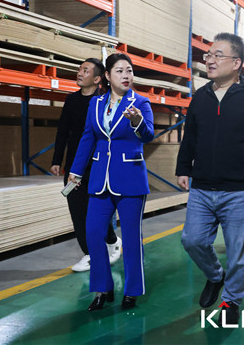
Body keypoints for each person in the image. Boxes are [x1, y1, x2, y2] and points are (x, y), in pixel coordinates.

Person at [176, 32, 244, 325]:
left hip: (239, 190)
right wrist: (183, 167)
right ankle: (215, 275)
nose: (209, 60)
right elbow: (190, 137)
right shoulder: (201, 96)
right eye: (208, 55)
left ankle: (231, 301)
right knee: (192, 240)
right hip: (202, 187)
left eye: (217, 55)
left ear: (236, 63)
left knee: (238, 254)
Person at [67, 53, 155, 312]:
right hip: (99, 180)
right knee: (93, 233)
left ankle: (132, 291)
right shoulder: (96, 103)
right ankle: (102, 289)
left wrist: (137, 121)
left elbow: (148, 135)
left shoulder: (141, 102)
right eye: (120, 71)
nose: (126, 75)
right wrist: (76, 171)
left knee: (131, 238)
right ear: (107, 75)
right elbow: (87, 138)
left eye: (129, 71)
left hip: (130, 180)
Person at [51, 58, 121, 273]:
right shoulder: (71, 100)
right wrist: (56, 160)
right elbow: (63, 131)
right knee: (77, 211)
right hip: (74, 166)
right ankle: (89, 254)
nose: (80, 73)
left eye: (86, 70)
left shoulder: (104, 102)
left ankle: (112, 241)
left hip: (98, 165)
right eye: (80, 69)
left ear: (98, 79)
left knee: (97, 212)